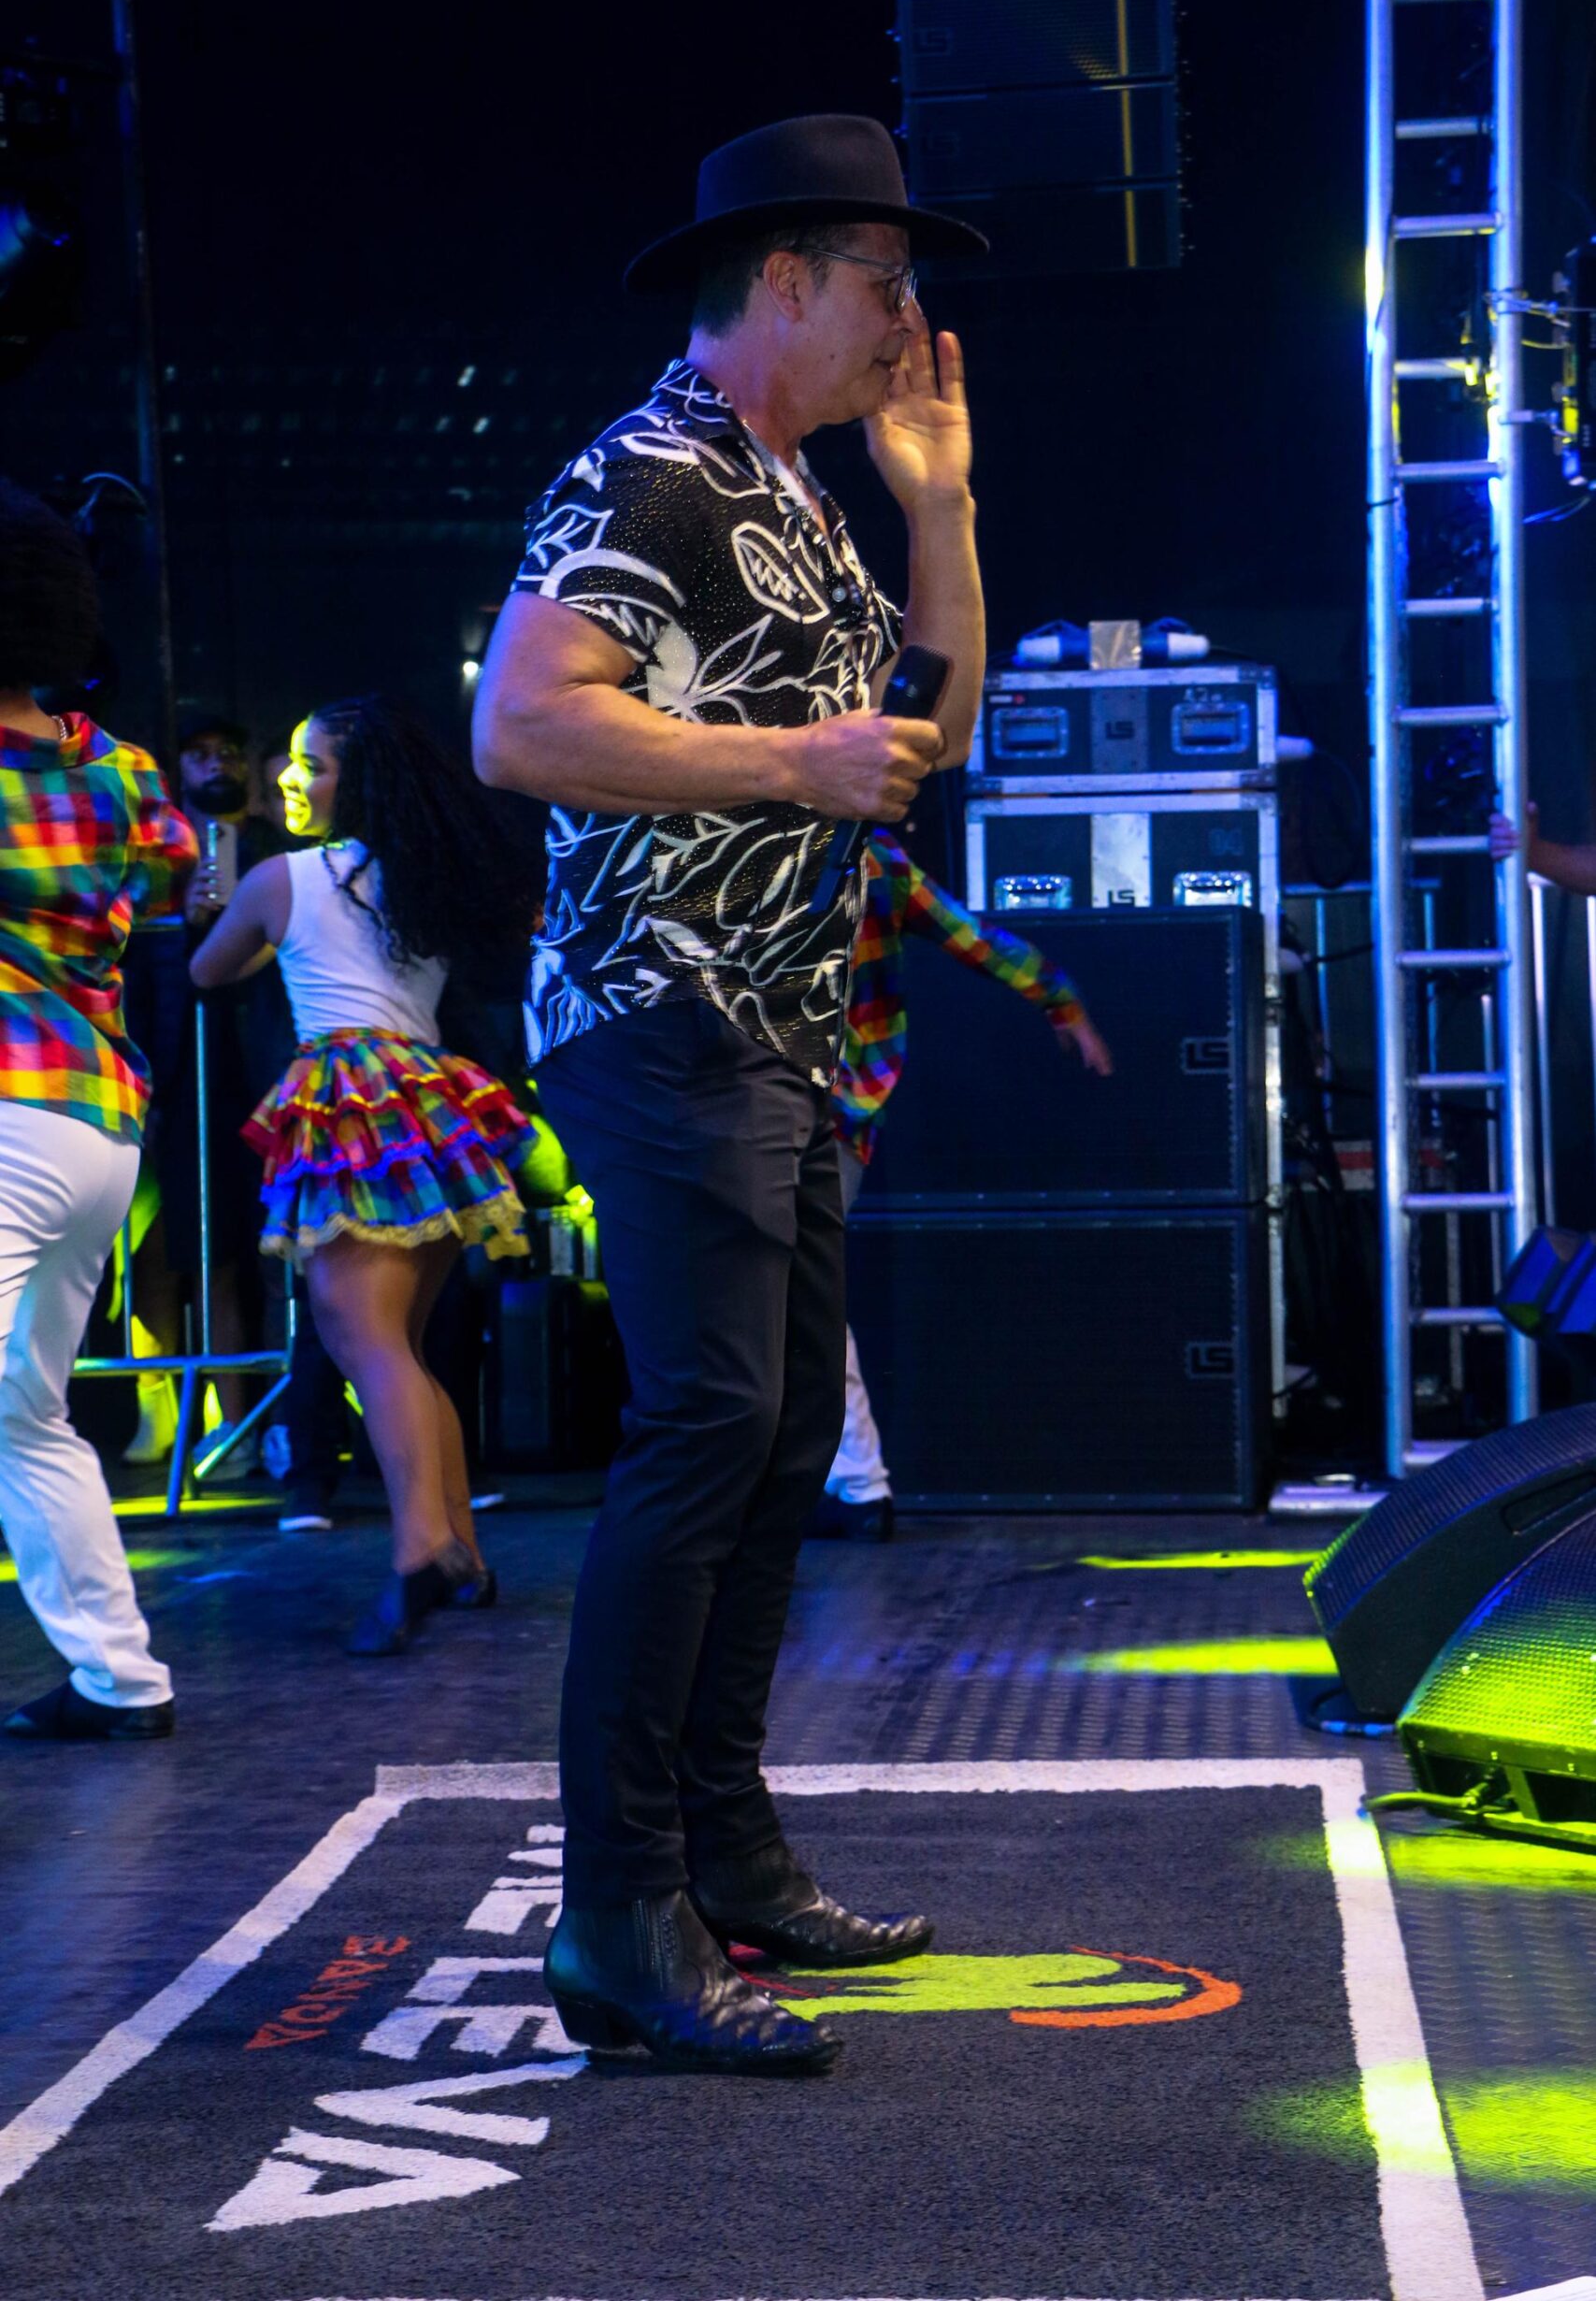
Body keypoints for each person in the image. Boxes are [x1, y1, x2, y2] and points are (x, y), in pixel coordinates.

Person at [473, 112, 987, 2074]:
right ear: (781, 279)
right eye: (882, 283)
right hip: (658, 1006)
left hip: (777, 1027)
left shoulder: (801, 495)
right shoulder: (653, 468)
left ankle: (723, 1853)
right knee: (707, 1427)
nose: (904, 323)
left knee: (772, 1444)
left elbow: (927, 737)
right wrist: (789, 762)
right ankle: (618, 1911)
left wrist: (937, 504)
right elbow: (519, 723)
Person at [191, 697, 540, 1654]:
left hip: (351, 1098)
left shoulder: (281, 878)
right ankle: (459, 1550)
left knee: (366, 1340)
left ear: (360, 780)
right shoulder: (428, 881)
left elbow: (208, 971)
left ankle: (420, 1549)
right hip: (430, 1098)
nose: (292, 777)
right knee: (405, 1348)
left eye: (313, 763)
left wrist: (241, 928)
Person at [0, 479, 196, 1740]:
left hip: (7, 1114)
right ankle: (119, 1677)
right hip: (96, 1125)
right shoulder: (118, 767)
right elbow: (175, 878)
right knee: (27, 1415)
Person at [823, 827, 1114, 1535]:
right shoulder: (872, 854)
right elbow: (972, 939)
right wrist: (1059, 997)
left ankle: (847, 1485)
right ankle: (852, 1485)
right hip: (834, 1110)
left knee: (775, 1299)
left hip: (773, 1105)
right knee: (798, 1297)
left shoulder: (767, 844)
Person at [124, 709, 287, 1468]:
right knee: (185, 1249)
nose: (216, 764)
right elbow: (149, 976)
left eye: (228, 752)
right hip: (184, 1073)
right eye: (200, 755)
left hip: (267, 1065)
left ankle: (283, 1420)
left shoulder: (274, 849)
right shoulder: (160, 857)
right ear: (178, 770)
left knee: (276, 1249)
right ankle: (204, 1415)